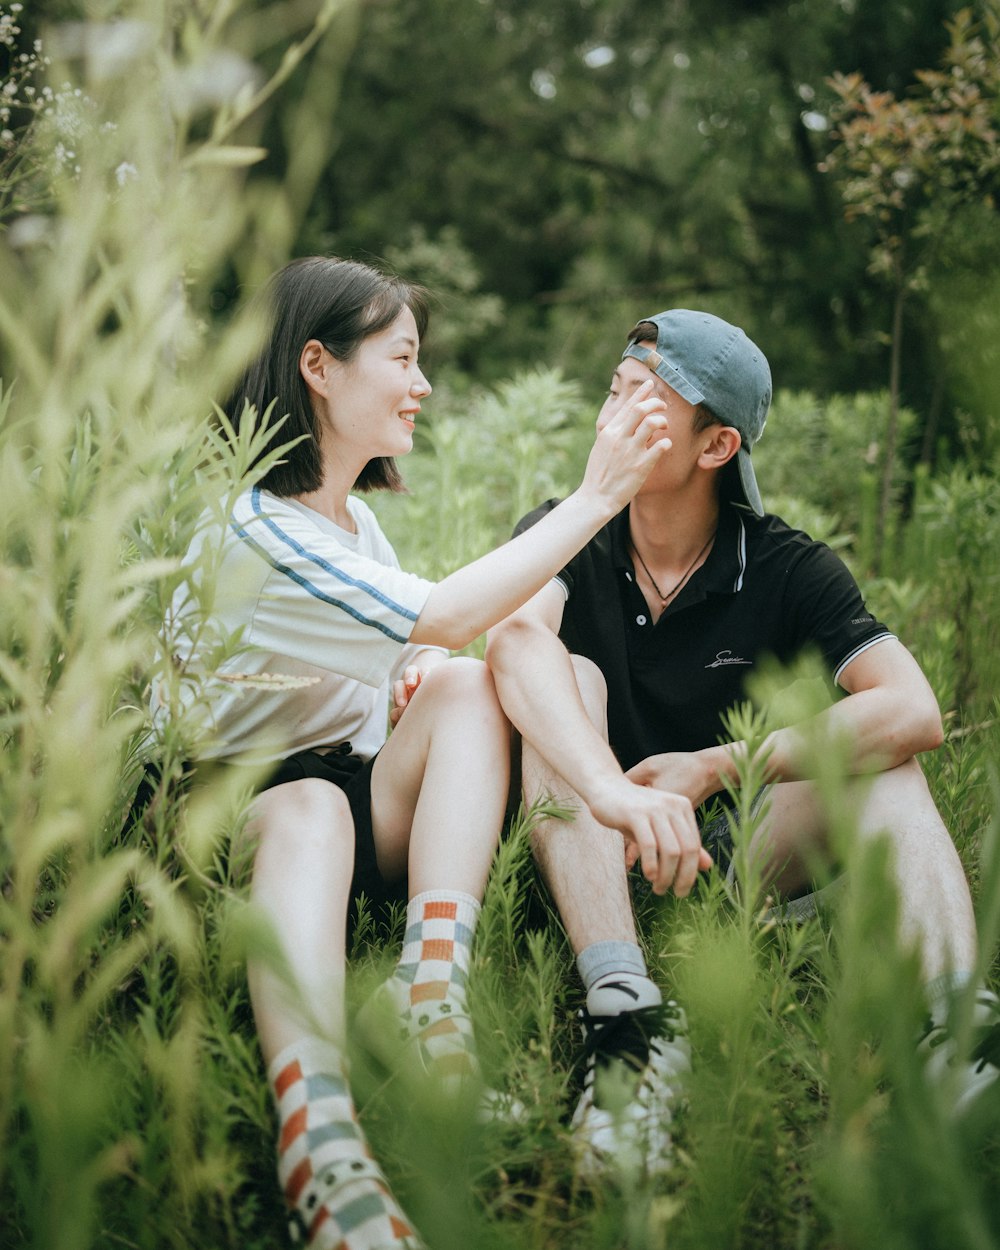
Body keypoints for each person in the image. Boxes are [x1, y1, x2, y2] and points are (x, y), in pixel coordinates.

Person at [144, 256, 688, 1250]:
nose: (421, 384)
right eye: (401, 357)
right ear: (317, 363)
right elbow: (442, 613)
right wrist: (596, 496)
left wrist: (402, 681)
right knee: (319, 791)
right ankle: (321, 1144)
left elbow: (420, 650)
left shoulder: (357, 529)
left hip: (338, 796)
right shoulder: (255, 528)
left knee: (466, 683)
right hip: (214, 823)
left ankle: (426, 991)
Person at [485, 308, 1000, 1180]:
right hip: (579, 853)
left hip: (725, 861)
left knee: (884, 760)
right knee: (566, 675)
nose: (610, 422)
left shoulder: (786, 565)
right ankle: (627, 1018)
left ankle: (962, 1035)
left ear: (715, 447)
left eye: (642, 403)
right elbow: (513, 642)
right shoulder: (568, 527)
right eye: (613, 395)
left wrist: (718, 766)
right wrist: (620, 791)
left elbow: (914, 707)